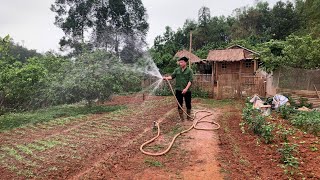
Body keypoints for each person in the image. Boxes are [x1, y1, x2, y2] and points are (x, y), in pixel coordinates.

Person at [163, 56, 193, 121]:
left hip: (187, 90)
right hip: (178, 90)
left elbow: (190, 81)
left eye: (181, 62)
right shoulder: (177, 70)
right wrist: (166, 78)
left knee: (188, 103)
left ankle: (188, 117)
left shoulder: (189, 71)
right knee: (179, 104)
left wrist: (186, 89)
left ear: (185, 62)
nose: (180, 64)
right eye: (179, 62)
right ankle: (181, 118)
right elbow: (172, 76)